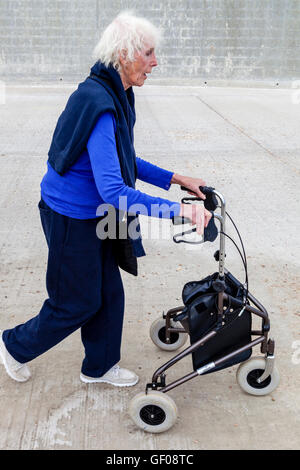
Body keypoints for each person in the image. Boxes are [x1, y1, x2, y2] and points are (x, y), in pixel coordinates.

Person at [0, 12, 211, 387]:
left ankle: (98, 367)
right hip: (71, 215)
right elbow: (114, 189)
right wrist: (179, 210)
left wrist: (177, 179)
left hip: (99, 212)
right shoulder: (99, 103)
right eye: (148, 53)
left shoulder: (118, 92)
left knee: (109, 292)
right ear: (125, 55)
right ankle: (13, 346)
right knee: (76, 302)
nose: (155, 62)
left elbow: (124, 158)